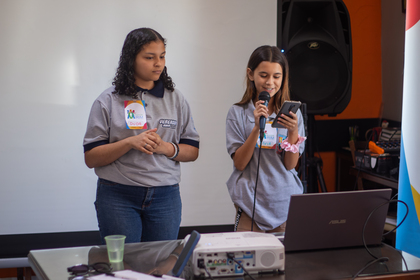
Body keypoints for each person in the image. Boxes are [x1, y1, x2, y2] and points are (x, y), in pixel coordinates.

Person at [83, 28, 200, 243]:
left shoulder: (176, 99)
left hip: (166, 196)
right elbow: (91, 158)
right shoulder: (107, 100)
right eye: (149, 57)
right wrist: (129, 143)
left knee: (161, 265)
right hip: (118, 195)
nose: (158, 63)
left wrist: (167, 148)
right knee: (125, 269)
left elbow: (193, 151)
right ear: (131, 59)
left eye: (162, 56)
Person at [225, 45, 306, 233]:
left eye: (276, 76)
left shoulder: (293, 114)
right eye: (264, 75)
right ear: (251, 74)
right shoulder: (237, 113)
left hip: (284, 205)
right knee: (248, 261)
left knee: (283, 261)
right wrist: (256, 127)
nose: (270, 82)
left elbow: (290, 165)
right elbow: (240, 163)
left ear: (283, 78)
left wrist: (293, 132)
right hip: (249, 207)